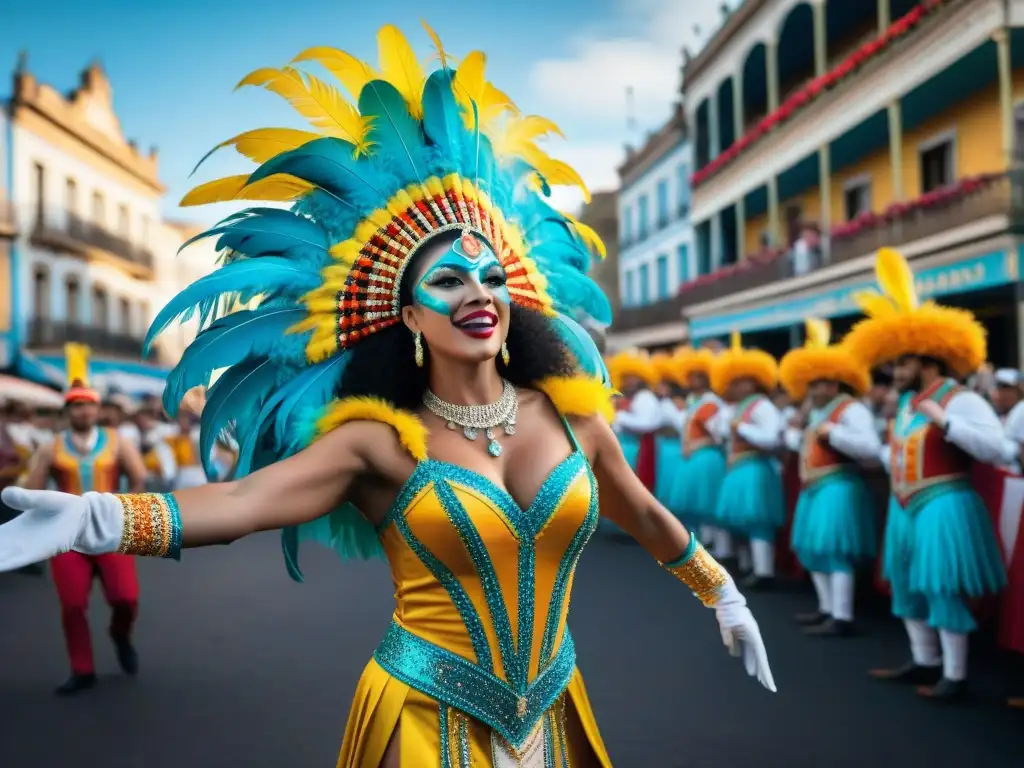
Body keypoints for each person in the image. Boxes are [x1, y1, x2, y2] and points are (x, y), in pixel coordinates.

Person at [0, 24, 775, 766]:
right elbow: (242, 505)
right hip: (422, 719)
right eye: (446, 280)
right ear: (404, 314)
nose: (477, 292)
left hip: (554, 707)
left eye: (492, 278)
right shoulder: (380, 441)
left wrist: (721, 591)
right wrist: (98, 517)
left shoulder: (573, 418)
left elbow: (640, 510)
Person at [844, 247, 1007, 702]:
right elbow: (893, 451)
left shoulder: (959, 399)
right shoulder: (902, 406)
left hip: (945, 504)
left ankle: (955, 676)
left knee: (941, 588)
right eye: (893, 364)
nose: (894, 372)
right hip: (905, 508)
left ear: (929, 361)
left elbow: (998, 447)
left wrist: (947, 421)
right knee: (906, 586)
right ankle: (924, 661)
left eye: (902, 363)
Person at [16, 343, 148, 695]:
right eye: (76, 407)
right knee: (73, 605)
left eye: (88, 406)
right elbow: (34, 488)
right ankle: (82, 669)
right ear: (68, 411)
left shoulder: (118, 441)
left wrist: (129, 509)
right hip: (67, 537)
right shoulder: (52, 446)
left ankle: (120, 635)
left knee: (126, 598)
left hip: (109, 532)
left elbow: (138, 478)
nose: (83, 412)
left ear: (97, 409)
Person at [780, 319, 880, 637]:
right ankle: (827, 609)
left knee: (835, 550)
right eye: (812, 383)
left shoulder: (851, 410)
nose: (816, 389)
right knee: (811, 550)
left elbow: (870, 447)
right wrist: (797, 432)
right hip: (815, 489)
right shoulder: (817, 413)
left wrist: (833, 434)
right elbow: (804, 445)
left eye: (822, 383)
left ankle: (842, 616)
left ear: (836, 384)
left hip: (839, 488)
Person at [710, 334, 785, 588]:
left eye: (746, 382)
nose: (740, 387)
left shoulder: (762, 406)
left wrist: (742, 429)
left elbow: (772, 438)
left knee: (757, 520)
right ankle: (749, 565)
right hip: (738, 469)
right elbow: (720, 432)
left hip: (756, 469)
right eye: (736, 382)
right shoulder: (736, 407)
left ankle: (764, 571)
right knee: (738, 520)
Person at [666, 346, 728, 552]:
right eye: (691, 376)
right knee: (697, 505)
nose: (694, 380)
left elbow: (720, 434)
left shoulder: (711, 403)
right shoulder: (693, 401)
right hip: (693, 458)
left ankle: (719, 548)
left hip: (707, 458)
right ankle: (704, 543)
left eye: (699, 376)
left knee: (708, 503)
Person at [607, 349, 661, 490]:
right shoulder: (628, 397)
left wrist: (620, 417)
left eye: (633, 377)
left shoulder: (645, 397)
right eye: (625, 377)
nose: (629, 381)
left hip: (637, 451)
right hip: (625, 450)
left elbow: (647, 424)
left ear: (641, 377)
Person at [651, 352, 685, 515]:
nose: (659, 387)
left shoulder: (674, 403)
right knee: (664, 482)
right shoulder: (660, 402)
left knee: (672, 482)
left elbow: (680, 425)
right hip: (663, 446)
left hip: (674, 446)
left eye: (663, 384)